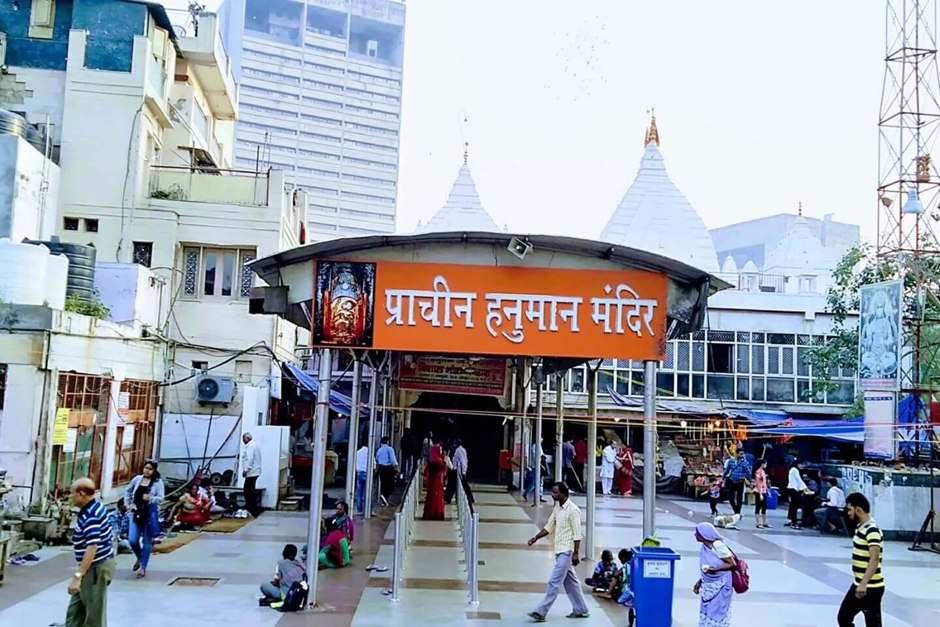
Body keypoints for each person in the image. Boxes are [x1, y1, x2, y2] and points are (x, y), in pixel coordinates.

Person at [526, 482, 590, 622]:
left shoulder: (573, 510)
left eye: (555, 492)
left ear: (563, 493)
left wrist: (576, 553)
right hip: (559, 550)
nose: (552, 494)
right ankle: (581, 609)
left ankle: (541, 611)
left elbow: (577, 534)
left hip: (567, 551)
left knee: (554, 582)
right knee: (571, 583)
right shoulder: (557, 508)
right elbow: (549, 527)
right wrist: (536, 538)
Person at [66, 477, 115, 627]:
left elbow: (92, 546)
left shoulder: (91, 515)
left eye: (71, 493)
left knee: (94, 618)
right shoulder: (95, 507)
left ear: (81, 494)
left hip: (96, 569)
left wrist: (78, 576)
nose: (69, 497)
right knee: (74, 614)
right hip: (91, 568)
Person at [838, 492, 885, 627]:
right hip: (859, 584)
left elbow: (874, 559)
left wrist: (864, 583)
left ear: (858, 510)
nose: (848, 513)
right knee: (844, 617)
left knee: (872, 624)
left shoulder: (872, 530)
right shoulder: (861, 528)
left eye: (849, 509)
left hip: (871, 588)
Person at [124, 460, 165, 579]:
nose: (147, 470)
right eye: (145, 468)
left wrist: (150, 498)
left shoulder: (157, 483)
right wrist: (128, 504)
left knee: (147, 542)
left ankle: (143, 567)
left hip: (149, 514)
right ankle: (140, 556)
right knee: (132, 540)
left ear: (154, 470)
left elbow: (161, 498)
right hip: (135, 512)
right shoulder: (137, 479)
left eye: (150, 469)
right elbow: (128, 491)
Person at [693, 522, 736, 627]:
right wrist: (700, 582)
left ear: (704, 534)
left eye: (697, 533)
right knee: (707, 610)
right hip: (708, 584)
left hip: (721, 584)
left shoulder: (718, 545)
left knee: (716, 611)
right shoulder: (704, 547)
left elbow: (731, 563)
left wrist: (715, 569)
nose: (695, 535)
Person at [423, 436, 446, 520]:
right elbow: (444, 466)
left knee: (431, 498)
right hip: (437, 482)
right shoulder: (438, 461)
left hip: (432, 483)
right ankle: (437, 513)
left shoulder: (431, 461)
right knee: (438, 499)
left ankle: (430, 513)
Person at [723, 449, 752, 516]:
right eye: (741, 454)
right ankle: (735, 509)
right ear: (736, 454)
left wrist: (750, 481)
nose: (742, 455)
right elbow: (727, 470)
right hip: (732, 481)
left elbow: (748, 473)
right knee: (730, 497)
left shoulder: (744, 462)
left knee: (739, 498)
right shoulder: (731, 461)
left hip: (740, 481)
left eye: (743, 454)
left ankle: (738, 512)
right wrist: (723, 477)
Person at [241, 432, 263, 517]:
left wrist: (246, 470)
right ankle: (252, 507)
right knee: (250, 490)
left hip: (251, 471)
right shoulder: (255, 445)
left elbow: (250, 458)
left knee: (248, 490)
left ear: (247, 438)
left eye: (244, 439)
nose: (243, 441)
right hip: (255, 470)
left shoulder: (250, 446)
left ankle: (250, 507)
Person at [376, 437, 398, 507]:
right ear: (387, 441)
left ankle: (384, 501)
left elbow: (377, 458)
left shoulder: (379, 450)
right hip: (388, 468)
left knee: (383, 483)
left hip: (381, 467)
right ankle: (385, 496)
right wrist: (396, 468)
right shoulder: (390, 449)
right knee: (391, 484)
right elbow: (393, 459)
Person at [786, 460, 808, 529]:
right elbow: (799, 480)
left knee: (794, 506)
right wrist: (806, 489)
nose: (802, 466)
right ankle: (794, 522)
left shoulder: (793, 470)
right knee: (794, 506)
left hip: (793, 489)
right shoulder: (794, 470)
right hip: (793, 489)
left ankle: (793, 522)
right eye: (801, 464)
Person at [452, 439, 475, 504]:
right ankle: (470, 497)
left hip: (460, 471)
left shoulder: (458, 450)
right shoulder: (462, 450)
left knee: (465, 485)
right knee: (463, 485)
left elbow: (462, 461)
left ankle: (470, 498)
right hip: (460, 470)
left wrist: (463, 471)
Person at [753, 459, 770, 529]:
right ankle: (758, 522)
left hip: (764, 490)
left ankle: (764, 522)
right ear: (762, 464)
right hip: (758, 491)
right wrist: (760, 494)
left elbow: (764, 483)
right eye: (765, 463)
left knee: (764, 507)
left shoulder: (763, 472)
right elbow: (758, 483)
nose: (766, 465)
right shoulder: (758, 472)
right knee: (758, 506)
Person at [355, 442, 371, 516]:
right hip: (367, 473)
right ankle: (368, 510)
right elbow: (373, 464)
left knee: (359, 493)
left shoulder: (357, 452)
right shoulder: (369, 452)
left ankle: (359, 510)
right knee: (368, 492)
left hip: (359, 473)